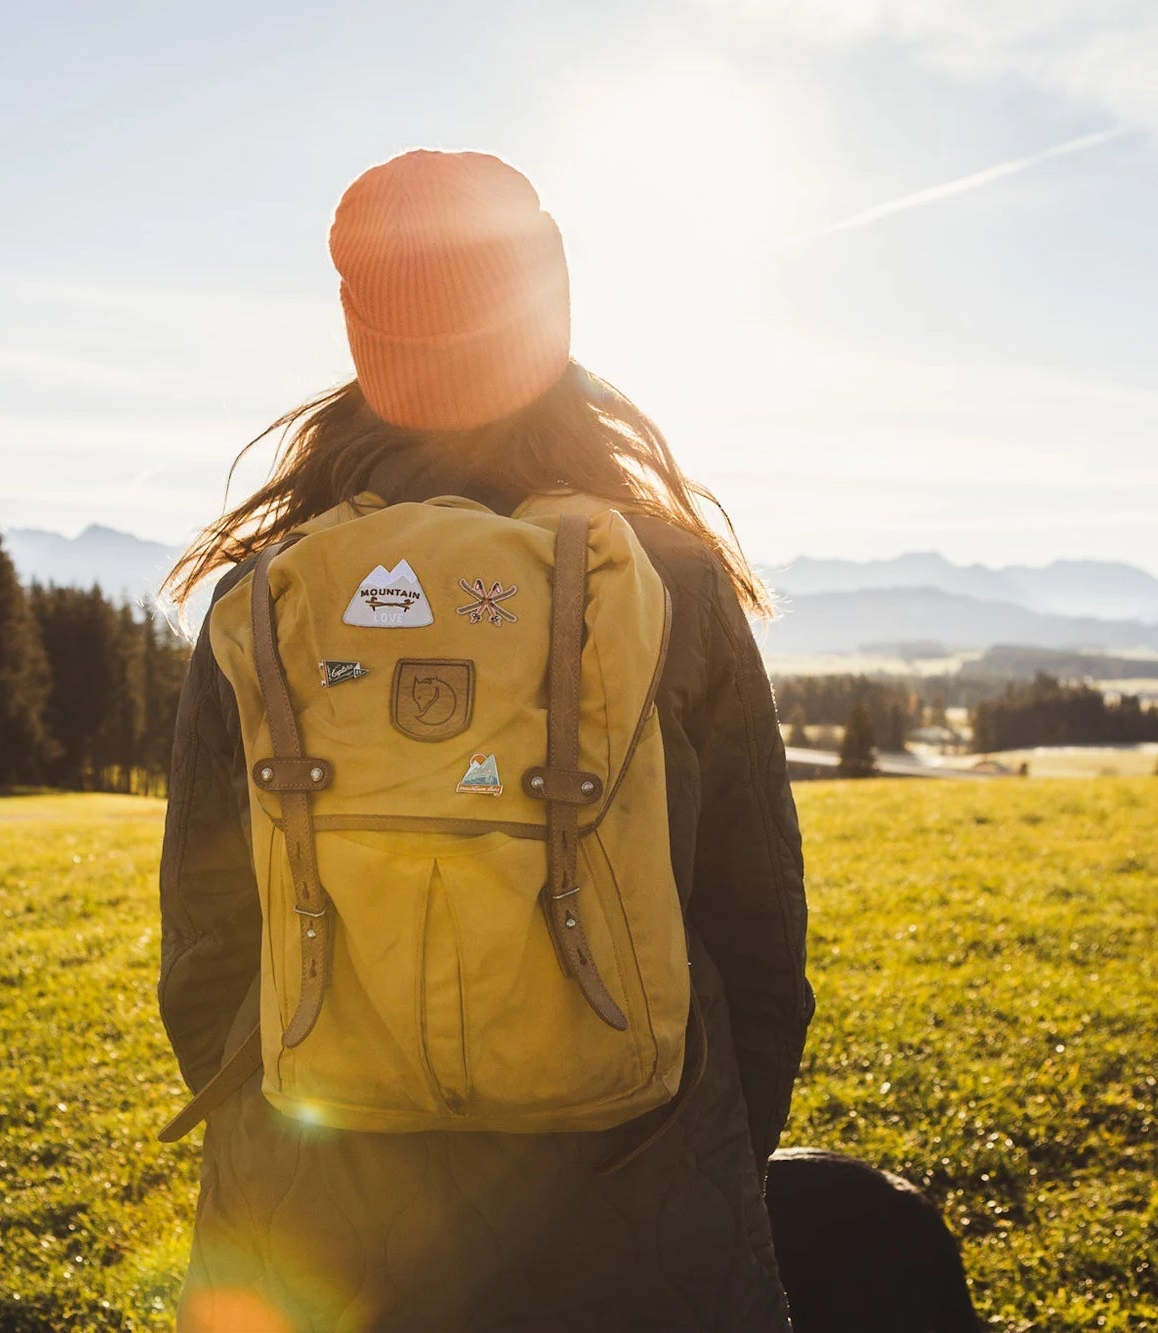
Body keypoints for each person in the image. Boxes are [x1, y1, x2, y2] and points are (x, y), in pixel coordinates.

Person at [157, 148, 812, 1333]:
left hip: (312, 1217)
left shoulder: (265, 597)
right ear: (545, 319)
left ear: (365, 341)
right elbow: (757, 942)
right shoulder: (663, 577)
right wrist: (700, 1149)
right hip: (636, 1199)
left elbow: (206, 958)